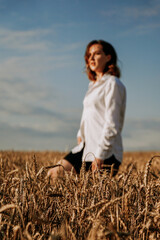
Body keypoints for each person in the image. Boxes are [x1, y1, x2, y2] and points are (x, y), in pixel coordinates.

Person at [48, 39, 126, 180]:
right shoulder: (92, 85)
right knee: (54, 174)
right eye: (89, 55)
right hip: (86, 147)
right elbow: (89, 113)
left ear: (108, 57)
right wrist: (81, 132)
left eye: (97, 54)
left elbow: (112, 123)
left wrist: (101, 154)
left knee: (92, 195)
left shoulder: (113, 84)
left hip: (106, 152)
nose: (91, 58)